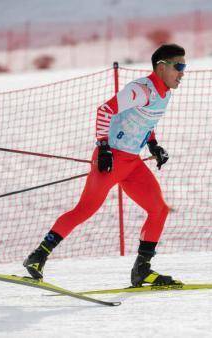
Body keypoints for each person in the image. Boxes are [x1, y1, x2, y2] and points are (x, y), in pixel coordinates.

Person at [23, 43, 186, 287]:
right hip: (110, 160)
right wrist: (103, 146)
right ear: (162, 67)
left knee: (159, 209)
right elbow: (105, 110)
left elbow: (146, 121)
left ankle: (142, 269)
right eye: (179, 66)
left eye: (184, 67)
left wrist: (153, 145)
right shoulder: (141, 90)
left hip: (132, 163)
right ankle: (37, 257)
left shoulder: (166, 94)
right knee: (85, 210)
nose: (182, 73)